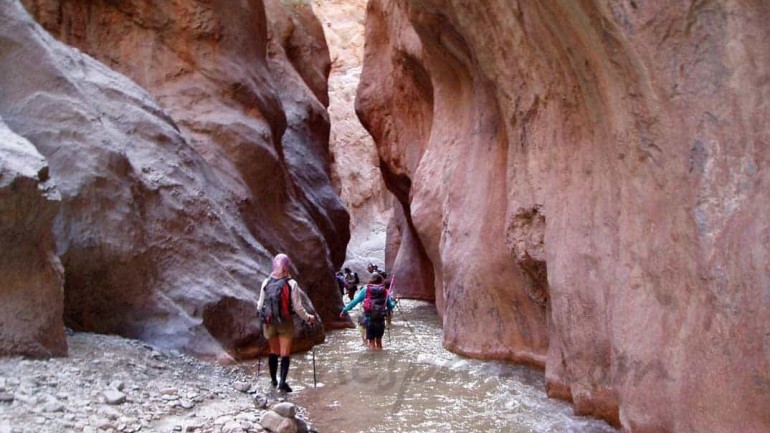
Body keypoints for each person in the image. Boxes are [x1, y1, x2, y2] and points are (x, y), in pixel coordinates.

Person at [257, 253, 317, 392]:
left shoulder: (266, 282)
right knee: (285, 352)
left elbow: (260, 305)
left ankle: (273, 380)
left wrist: (264, 316)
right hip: (285, 321)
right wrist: (308, 318)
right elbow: (297, 307)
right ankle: (282, 382)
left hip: (269, 321)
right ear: (287, 266)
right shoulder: (291, 284)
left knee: (273, 350)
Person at [340, 273, 397, 349]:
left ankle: (372, 355)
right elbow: (390, 306)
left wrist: (344, 310)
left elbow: (354, 302)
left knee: (371, 343)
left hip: (369, 319)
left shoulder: (366, 290)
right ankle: (380, 355)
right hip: (380, 320)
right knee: (379, 342)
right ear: (381, 281)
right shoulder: (384, 291)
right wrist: (395, 302)